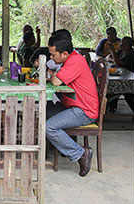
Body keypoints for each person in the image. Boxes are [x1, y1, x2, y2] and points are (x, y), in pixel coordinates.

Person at [45, 33, 98, 177]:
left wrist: (50, 75)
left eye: (53, 55)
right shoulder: (70, 60)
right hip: (74, 106)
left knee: (48, 127)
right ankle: (59, 145)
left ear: (65, 53)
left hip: (84, 111)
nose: (51, 57)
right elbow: (56, 77)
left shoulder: (75, 61)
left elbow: (56, 81)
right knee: (46, 108)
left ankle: (80, 153)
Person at [107, 36, 134, 114]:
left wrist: (112, 50)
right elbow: (109, 57)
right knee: (110, 89)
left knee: (118, 92)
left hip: (131, 79)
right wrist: (113, 57)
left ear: (127, 45)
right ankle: (111, 107)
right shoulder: (121, 52)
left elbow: (118, 62)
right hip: (120, 75)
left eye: (122, 43)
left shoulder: (132, 54)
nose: (120, 44)